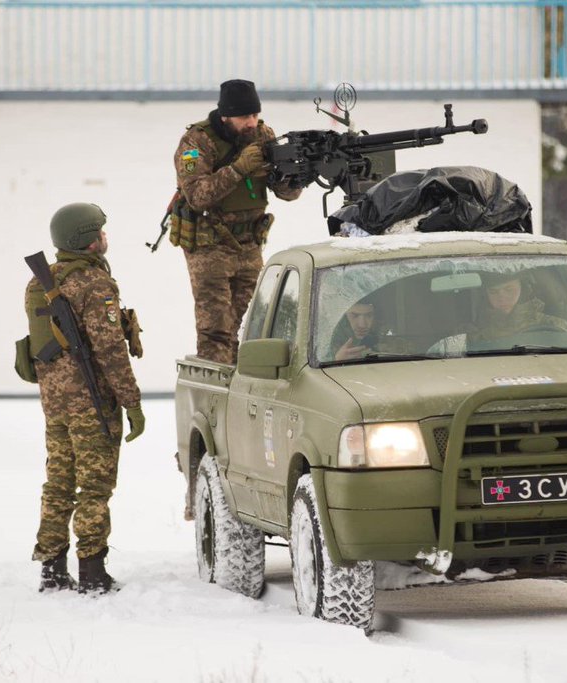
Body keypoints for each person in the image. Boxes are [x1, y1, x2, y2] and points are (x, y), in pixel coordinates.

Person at [26, 202, 146, 595]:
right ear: (87, 241)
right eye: (100, 232)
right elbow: (111, 350)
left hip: (56, 405)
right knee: (94, 487)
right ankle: (93, 572)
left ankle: (52, 569)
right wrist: (131, 401)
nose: (105, 238)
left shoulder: (42, 283)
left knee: (58, 483)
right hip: (91, 405)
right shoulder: (94, 284)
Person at [173, 78, 302, 364]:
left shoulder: (262, 135)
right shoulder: (196, 142)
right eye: (245, 116)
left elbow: (287, 194)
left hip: (249, 245)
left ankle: (241, 389)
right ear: (225, 115)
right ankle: (216, 398)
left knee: (251, 325)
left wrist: (294, 175)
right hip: (210, 247)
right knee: (216, 331)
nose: (252, 123)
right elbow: (197, 195)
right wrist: (239, 169)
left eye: (255, 115)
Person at [429, 271, 567, 355]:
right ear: (485, 295)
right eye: (493, 292)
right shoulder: (467, 336)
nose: (502, 297)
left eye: (509, 289)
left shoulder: (555, 327)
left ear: (525, 290)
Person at [327, 298, 415, 362]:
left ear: (376, 317)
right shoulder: (326, 343)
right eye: (354, 316)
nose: (362, 324)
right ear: (343, 318)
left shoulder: (391, 342)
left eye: (369, 315)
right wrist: (336, 361)